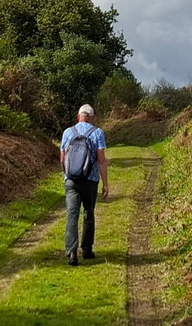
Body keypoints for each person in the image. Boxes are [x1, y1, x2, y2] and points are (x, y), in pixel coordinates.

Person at [60, 103, 109, 266]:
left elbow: (62, 158)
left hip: (71, 180)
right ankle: (87, 250)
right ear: (92, 118)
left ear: (78, 116)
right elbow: (101, 160)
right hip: (90, 180)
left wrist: (67, 175)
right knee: (88, 212)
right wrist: (105, 183)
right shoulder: (97, 133)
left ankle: (72, 252)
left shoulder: (68, 132)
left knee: (71, 214)